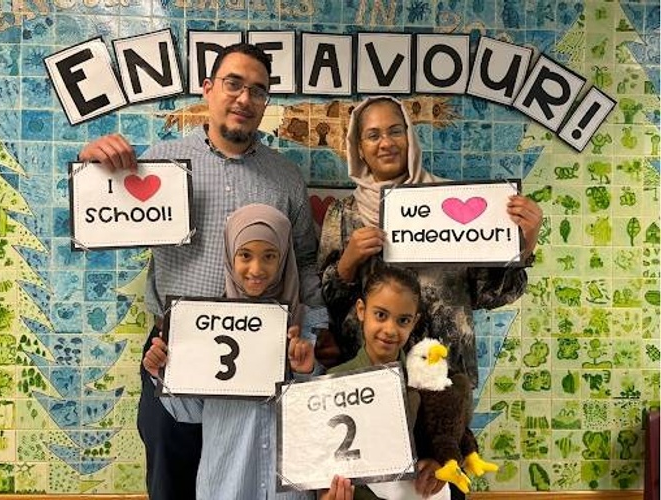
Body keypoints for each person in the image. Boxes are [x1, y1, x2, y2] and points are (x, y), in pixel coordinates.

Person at [79, 43, 323, 500]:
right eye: (233, 84)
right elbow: (100, 212)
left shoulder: (286, 177)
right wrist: (95, 163)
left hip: (258, 363)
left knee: (239, 486)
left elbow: (305, 260)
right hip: (172, 354)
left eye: (258, 90)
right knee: (171, 483)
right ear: (208, 89)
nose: (245, 99)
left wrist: (312, 327)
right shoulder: (161, 163)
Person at [318, 96, 543, 499]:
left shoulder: (453, 205)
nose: (385, 142)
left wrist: (524, 244)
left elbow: (489, 293)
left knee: (436, 486)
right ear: (359, 146)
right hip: (371, 392)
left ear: (410, 136)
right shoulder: (345, 215)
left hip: (445, 392)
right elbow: (329, 301)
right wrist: (348, 262)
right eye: (373, 135)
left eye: (395, 130)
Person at [141, 203, 349, 500]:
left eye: (270, 256)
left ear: (284, 258)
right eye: (245, 255)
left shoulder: (305, 328)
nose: (256, 269)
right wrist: (163, 373)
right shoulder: (203, 327)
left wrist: (306, 372)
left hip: (287, 491)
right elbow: (191, 413)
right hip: (226, 485)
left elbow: (318, 417)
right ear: (229, 255)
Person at [327, 264, 449, 500]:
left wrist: (437, 465)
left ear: (415, 322)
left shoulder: (427, 381)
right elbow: (320, 463)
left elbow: (444, 443)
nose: (390, 330)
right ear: (361, 310)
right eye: (380, 315)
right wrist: (325, 494)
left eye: (403, 320)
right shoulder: (333, 381)